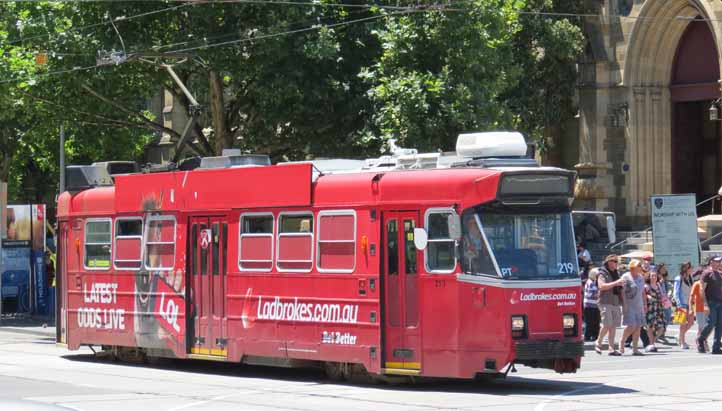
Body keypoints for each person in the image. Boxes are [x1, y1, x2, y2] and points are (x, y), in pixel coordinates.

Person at [595, 254, 624, 356]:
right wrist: (616, 283)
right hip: (605, 301)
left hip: (615, 301)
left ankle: (611, 348)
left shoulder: (616, 273)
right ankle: (598, 342)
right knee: (607, 324)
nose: (616, 264)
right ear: (609, 262)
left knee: (613, 326)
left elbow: (620, 289)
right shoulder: (602, 273)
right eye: (614, 261)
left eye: (617, 262)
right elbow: (601, 286)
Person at [619, 259, 647, 355]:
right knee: (631, 326)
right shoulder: (626, 276)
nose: (640, 267)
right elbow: (622, 291)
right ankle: (622, 341)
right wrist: (624, 304)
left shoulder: (640, 277)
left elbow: (643, 292)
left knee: (638, 326)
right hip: (629, 304)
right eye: (638, 265)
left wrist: (645, 304)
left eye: (640, 265)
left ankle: (635, 349)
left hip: (639, 304)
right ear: (633, 267)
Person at [697, 256, 722, 354]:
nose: (719, 263)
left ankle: (716, 347)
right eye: (716, 261)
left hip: (720, 302)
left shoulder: (720, 274)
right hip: (711, 302)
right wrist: (705, 304)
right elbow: (702, 290)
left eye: (720, 261)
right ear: (711, 262)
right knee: (711, 323)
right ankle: (701, 339)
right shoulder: (707, 273)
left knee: (720, 325)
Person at [644, 269, 666, 352]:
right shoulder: (646, 286)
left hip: (659, 308)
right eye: (652, 276)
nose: (653, 277)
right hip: (650, 308)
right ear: (649, 277)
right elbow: (642, 295)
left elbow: (662, 295)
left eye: (655, 276)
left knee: (661, 327)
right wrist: (647, 296)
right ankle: (651, 344)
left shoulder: (658, 285)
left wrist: (664, 299)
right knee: (650, 326)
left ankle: (652, 341)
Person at [674, 261, 695, 349]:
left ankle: (679, 336)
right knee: (682, 324)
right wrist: (679, 304)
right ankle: (682, 342)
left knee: (691, 323)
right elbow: (676, 292)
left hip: (689, 304)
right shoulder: (679, 278)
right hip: (682, 304)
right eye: (690, 267)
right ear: (686, 269)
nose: (692, 269)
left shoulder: (690, 278)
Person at [690, 268, 709, 352]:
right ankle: (701, 343)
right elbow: (691, 296)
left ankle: (703, 342)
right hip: (699, 309)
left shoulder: (707, 284)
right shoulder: (696, 284)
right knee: (702, 328)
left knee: (706, 327)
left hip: (707, 309)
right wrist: (690, 308)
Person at [584, 268, 601, 341]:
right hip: (590, 305)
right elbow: (592, 294)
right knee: (591, 322)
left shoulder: (591, 281)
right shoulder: (591, 282)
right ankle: (589, 336)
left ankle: (594, 336)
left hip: (593, 305)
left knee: (595, 322)